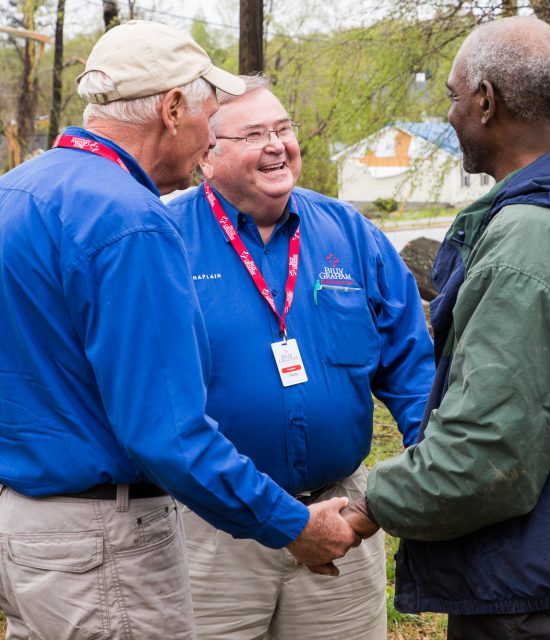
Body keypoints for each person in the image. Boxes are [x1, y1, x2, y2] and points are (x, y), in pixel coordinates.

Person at [0, 21, 357, 640]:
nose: (207, 139)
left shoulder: (16, 193)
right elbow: (168, 432)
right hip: (104, 548)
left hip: (26, 534)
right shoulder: (131, 220)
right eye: (208, 116)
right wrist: (294, 525)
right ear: (170, 109)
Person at [342, 16, 550, 640]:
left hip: (535, 596)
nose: (448, 114)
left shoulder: (530, 242)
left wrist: (371, 504)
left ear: (485, 100)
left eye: (452, 95)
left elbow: (486, 456)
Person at [165, 75, 435, 639]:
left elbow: (412, 368)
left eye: (284, 129)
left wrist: (432, 461)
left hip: (343, 522)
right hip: (212, 530)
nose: (276, 144)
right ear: (207, 157)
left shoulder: (351, 234)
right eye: (255, 133)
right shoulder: (164, 238)